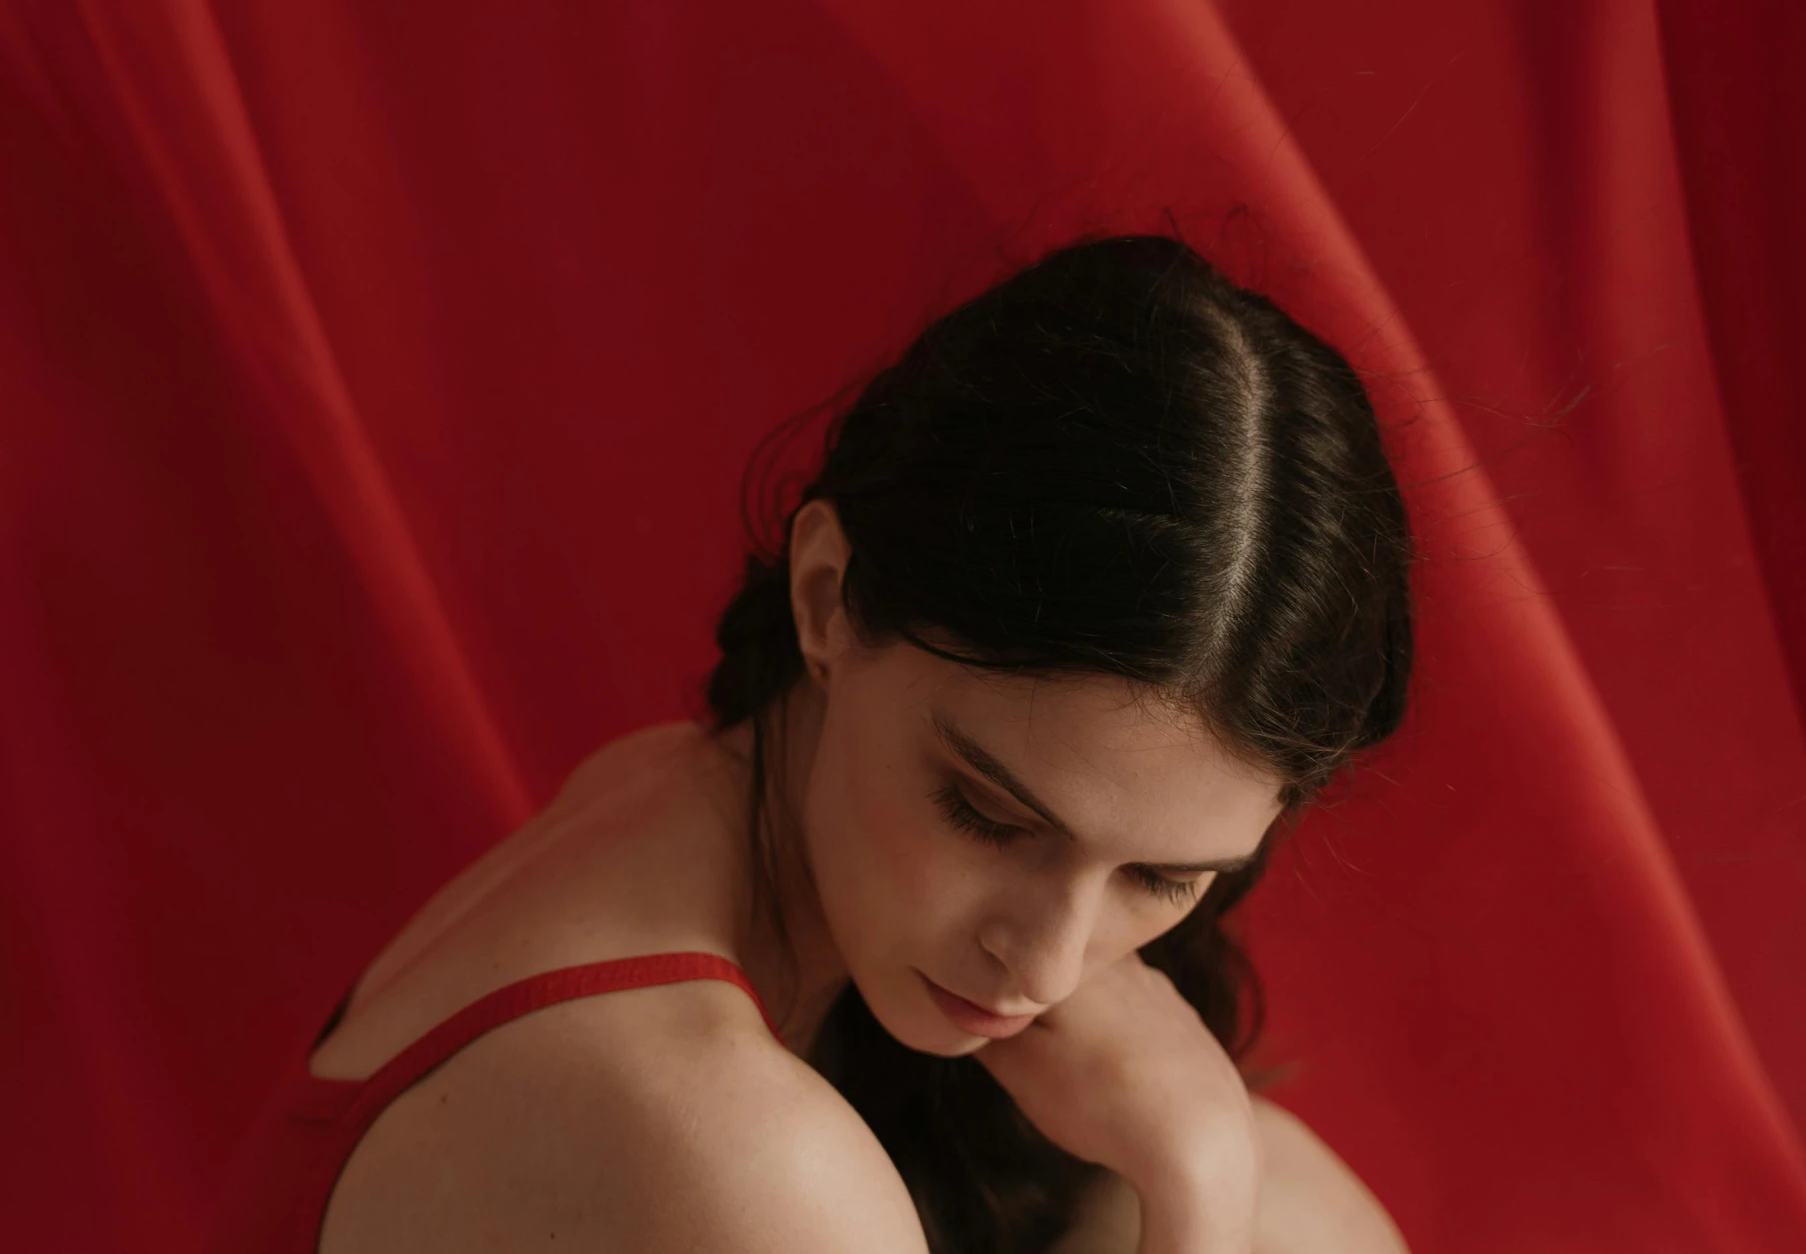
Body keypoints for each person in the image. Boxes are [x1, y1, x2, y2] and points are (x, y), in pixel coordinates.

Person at [211, 235, 1414, 1253]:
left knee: (1291, 1200)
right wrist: (1195, 1190)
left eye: (1160, 878)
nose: (1045, 964)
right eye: (987, 812)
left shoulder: (681, 791)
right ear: (830, 596)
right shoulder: (741, 1157)